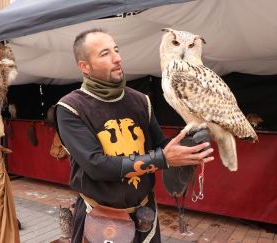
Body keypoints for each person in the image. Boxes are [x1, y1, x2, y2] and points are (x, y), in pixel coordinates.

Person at [54, 28, 214, 242]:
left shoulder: (141, 101)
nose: (118, 58)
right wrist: (163, 159)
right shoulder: (70, 107)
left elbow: (161, 146)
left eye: (116, 50)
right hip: (100, 220)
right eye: (105, 54)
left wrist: (190, 145)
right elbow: (96, 165)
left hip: (144, 217)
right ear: (85, 67)